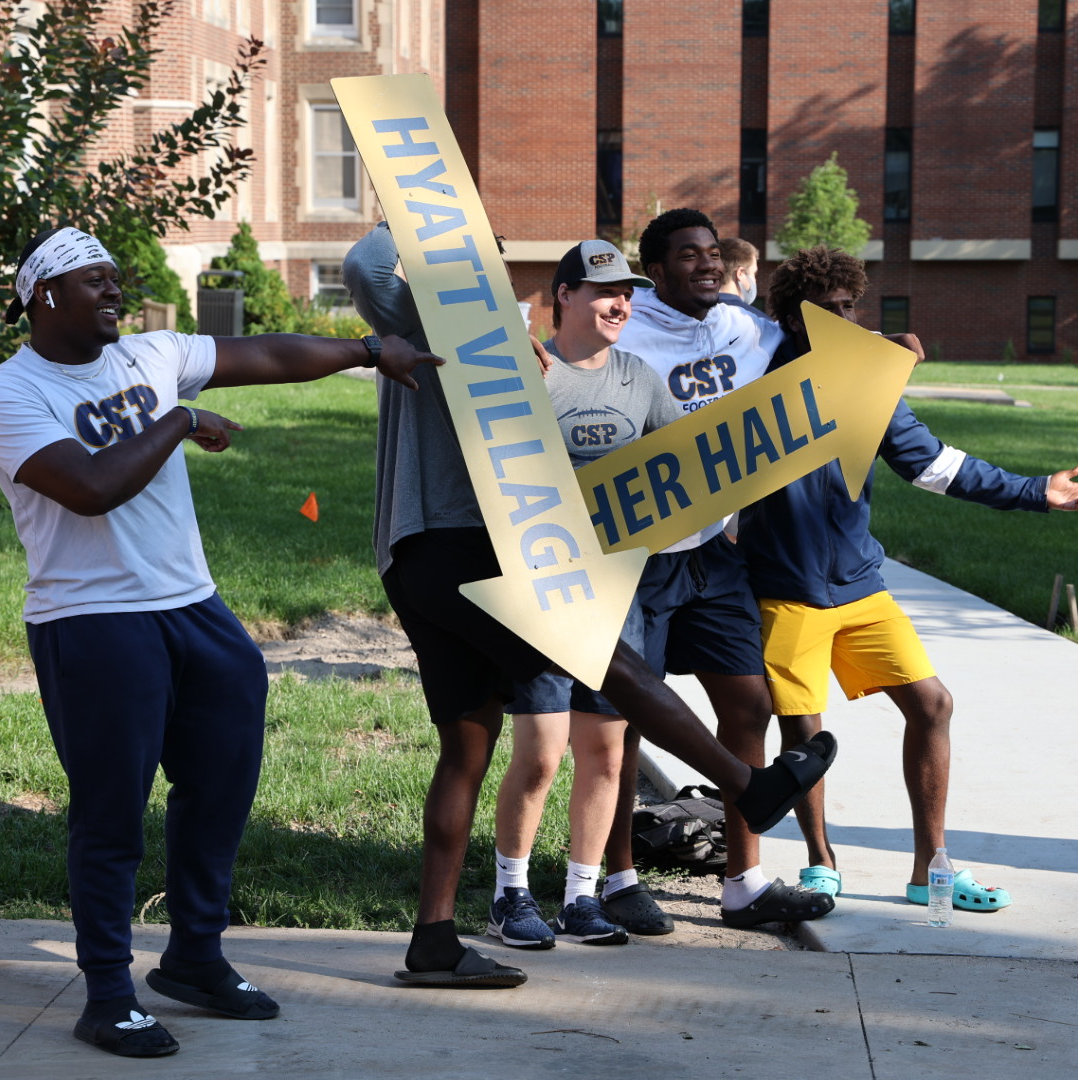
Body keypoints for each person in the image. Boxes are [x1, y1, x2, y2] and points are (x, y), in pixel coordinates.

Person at [0, 226, 441, 1058]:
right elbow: (89, 487)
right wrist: (179, 417)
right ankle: (109, 994)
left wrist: (367, 349)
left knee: (220, 789)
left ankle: (193, 957)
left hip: (196, 608)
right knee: (111, 814)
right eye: (94, 282)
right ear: (43, 298)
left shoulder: (145, 353)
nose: (114, 291)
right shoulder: (9, 394)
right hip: (91, 621)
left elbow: (261, 353)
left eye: (117, 278)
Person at [343, 221, 837, 989]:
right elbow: (367, 262)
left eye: (497, 255)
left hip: (451, 556)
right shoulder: (422, 316)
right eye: (478, 252)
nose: (491, 265)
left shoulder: (517, 341)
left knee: (466, 752)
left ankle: (434, 941)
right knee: (609, 663)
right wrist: (416, 210)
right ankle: (749, 788)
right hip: (453, 546)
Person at [739, 244, 1078, 912]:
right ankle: (822, 862)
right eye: (835, 309)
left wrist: (1033, 491)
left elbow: (934, 466)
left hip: (858, 583)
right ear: (797, 318)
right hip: (782, 587)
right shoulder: (760, 381)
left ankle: (930, 870)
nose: (852, 317)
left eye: (855, 305)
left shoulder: (868, 383)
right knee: (803, 731)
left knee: (932, 703)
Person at [614, 209, 838, 931]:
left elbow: (817, 349)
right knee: (625, 719)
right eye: (688, 255)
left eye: (713, 253)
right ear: (655, 267)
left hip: (713, 552)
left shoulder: (744, 329)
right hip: (638, 556)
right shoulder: (628, 329)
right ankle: (616, 878)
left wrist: (886, 350)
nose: (707, 264)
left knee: (750, 705)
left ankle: (743, 885)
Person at [489, 241, 678, 951]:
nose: (620, 303)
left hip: (617, 591)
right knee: (541, 752)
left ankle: (581, 896)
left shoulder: (639, 377)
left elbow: (679, 463)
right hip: (544, 588)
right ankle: (509, 894)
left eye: (626, 292)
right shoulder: (528, 370)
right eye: (603, 291)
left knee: (605, 752)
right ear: (562, 295)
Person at [716, 236, 770, 323]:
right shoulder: (761, 323)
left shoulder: (690, 314)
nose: (754, 280)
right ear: (741, 273)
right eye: (754, 273)